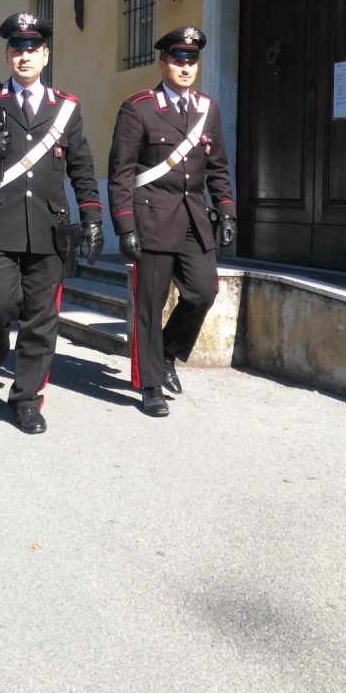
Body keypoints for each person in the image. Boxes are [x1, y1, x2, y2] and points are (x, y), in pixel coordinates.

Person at [0, 12, 104, 434]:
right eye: (17, 49)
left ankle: (27, 400)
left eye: (33, 49)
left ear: (46, 55)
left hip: (49, 229)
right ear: (7, 54)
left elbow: (83, 169)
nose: (25, 56)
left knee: (41, 318)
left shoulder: (65, 109)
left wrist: (93, 217)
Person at [107, 25, 235, 417]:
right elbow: (121, 173)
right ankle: (149, 387)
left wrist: (227, 212)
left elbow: (218, 168)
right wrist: (126, 227)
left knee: (203, 292)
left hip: (195, 219)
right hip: (152, 219)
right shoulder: (139, 108)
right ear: (163, 63)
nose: (184, 67)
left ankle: (166, 353)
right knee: (150, 304)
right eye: (177, 60)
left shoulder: (207, 109)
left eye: (191, 60)